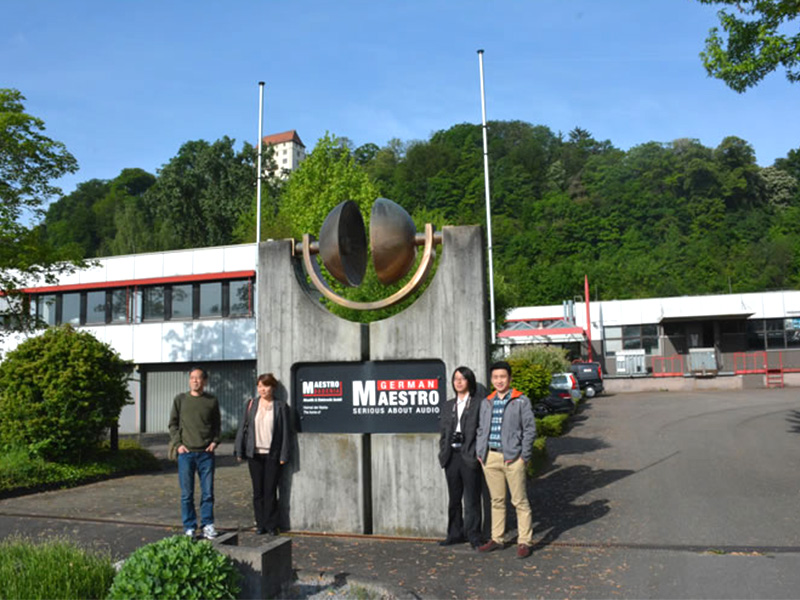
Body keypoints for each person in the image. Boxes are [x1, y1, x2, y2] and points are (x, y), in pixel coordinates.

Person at [476, 360, 536, 559]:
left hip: (513, 458)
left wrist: (524, 456)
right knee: (497, 500)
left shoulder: (521, 400)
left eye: (503, 377)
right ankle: (497, 538)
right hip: (490, 457)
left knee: (519, 501)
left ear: (509, 378)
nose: (499, 380)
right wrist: (480, 452)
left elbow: (529, 430)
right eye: (495, 377)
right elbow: (481, 428)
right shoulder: (487, 401)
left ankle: (524, 541)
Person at [234, 372, 291, 535]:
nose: (262, 389)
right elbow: (243, 427)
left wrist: (284, 455)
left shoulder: (280, 406)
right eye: (259, 386)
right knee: (257, 491)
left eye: (265, 386)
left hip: (273, 454)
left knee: (270, 491)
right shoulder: (251, 404)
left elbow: (286, 432)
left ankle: (272, 525)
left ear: (273, 387)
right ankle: (260, 524)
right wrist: (239, 450)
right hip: (254, 454)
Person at [168, 366, 221, 540]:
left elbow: (217, 425)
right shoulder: (180, 399)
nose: (195, 381)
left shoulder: (211, 401)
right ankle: (189, 527)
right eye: (192, 378)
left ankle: (207, 525)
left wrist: (214, 441)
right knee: (186, 494)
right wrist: (178, 444)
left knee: (208, 493)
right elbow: (173, 424)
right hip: (186, 454)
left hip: (206, 454)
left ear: (204, 381)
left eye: (198, 378)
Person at [438, 366, 483, 549]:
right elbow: (443, 432)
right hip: (451, 456)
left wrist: (477, 453)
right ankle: (454, 534)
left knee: (472, 499)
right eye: (456, 378)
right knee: (454, 499)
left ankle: (474, 536)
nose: (458, 382)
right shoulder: (448, 405)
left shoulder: (479, 403)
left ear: (469, 381)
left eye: (462, 378)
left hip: (469, 455)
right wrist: (443, 451)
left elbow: (482, 430)